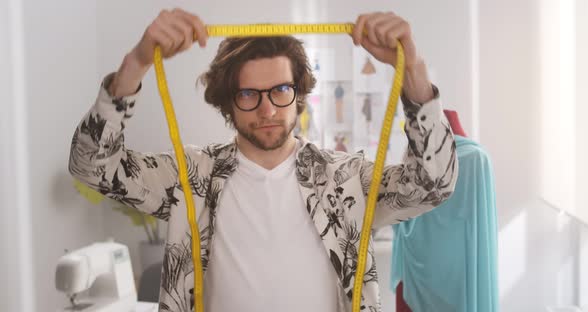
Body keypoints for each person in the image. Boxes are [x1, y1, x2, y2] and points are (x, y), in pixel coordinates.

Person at [69, 8, 458, 312]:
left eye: (281, 90)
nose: (267, 109)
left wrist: (414, 74)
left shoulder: (345, 180)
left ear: (299, 93)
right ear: (228, 102)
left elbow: (433, 184)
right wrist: (135, 63)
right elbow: (91, 166)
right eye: (249, 94)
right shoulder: (189, 179)